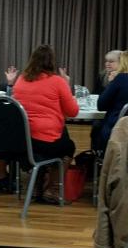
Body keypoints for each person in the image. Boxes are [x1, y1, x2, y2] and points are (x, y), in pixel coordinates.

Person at [12, 45, 79, 204]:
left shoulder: (21, 79)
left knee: (56, 140)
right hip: (45, 140)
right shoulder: (57, 81)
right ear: (51, 62)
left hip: (23, 140)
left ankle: (35, 188)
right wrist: (67, 87)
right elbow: (72, 111)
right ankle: (52, 190)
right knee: (68, 146)